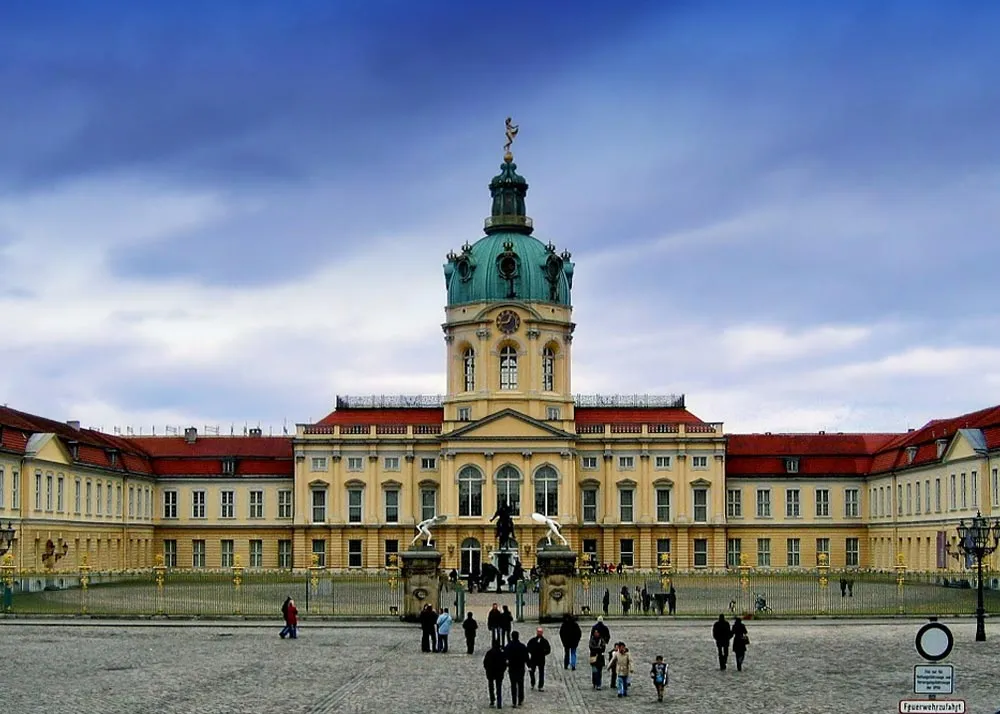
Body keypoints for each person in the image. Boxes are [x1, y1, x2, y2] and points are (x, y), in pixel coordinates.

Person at [504, 631, 529, 707]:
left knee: (513, 685)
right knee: (521, 684)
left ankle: (514, 701)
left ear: (512, 637)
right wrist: (529, 665)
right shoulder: (522, 646)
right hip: (520, 668)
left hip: (512, 668)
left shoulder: (508, 646)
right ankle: (520, 699)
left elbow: (505, 656)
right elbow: (526, 657)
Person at [483, 640, 507, 708]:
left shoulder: (489, 653)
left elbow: (485, 663)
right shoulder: (501, 653)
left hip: (491, 673)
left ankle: (492, 700)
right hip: (499, 673)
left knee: (491, 687)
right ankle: (499, 702)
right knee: (499, 688)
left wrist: (487, 670)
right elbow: (504, 663)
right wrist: (503, 670)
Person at [526, 627, 551, 691]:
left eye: (540, 632)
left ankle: (540, 686)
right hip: (533, 658)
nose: (539, 633)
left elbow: (548, 650)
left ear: (542, 633)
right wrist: (532, 652)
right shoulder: (532, 640)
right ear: (536, 632)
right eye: (538, 632)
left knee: (541, 673)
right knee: (532, 671)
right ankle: (532, 682)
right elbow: (528, 647)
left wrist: (543, 653)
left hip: (541, 659)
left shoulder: (545, 641)